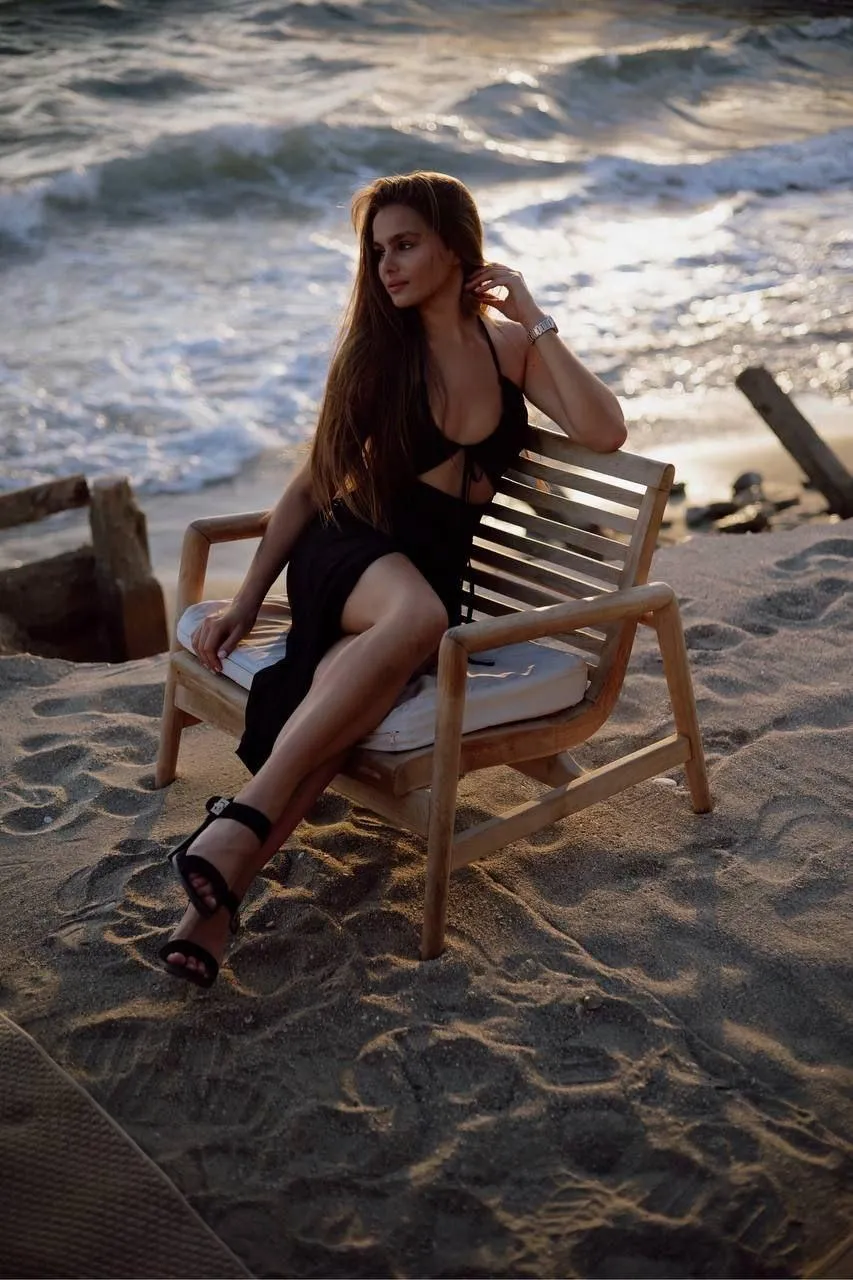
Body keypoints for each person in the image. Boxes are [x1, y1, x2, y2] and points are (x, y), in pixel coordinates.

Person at [159, 169, 626, 987]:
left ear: (455, 246)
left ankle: (214, 905)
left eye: (405, 244)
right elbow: (313, 484)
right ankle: (239, 826)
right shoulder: (380, 353)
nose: (387, 266)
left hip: (425, 586)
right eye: (378, 251)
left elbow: (602, 429)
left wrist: (534, 313)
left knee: (335, 711)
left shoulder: (507, 346)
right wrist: (244, 598)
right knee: (412, 620)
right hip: (351, 559)